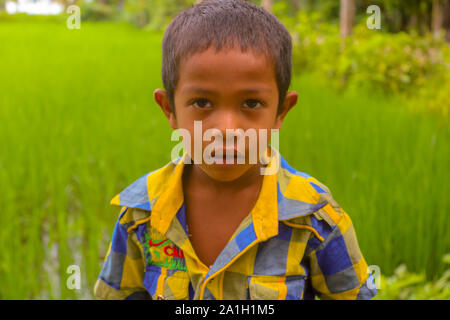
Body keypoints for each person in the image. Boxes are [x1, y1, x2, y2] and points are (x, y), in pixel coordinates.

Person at [93, 0, 377, 300]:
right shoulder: (141, 214)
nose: (227, 129)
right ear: (169, 109)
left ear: (281, 111)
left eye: (251, 104)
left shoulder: (315, 220)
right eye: (202, 103)